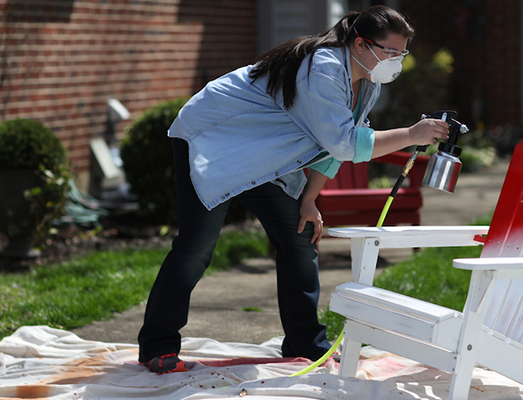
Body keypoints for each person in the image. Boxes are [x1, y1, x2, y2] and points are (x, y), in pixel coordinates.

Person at [137, 4, 450, 374]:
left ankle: (305, 344)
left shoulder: (366, 82)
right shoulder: (324, 68)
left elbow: (329, 149)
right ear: (361, 44)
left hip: (264, 155)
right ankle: (157, 346)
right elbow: (346, 143)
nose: (396, 61)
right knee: (195, 246)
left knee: (299, 240)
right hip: (214, 138)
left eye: (402, 53)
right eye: (390, 52)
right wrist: (412, 135)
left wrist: (310, 199)